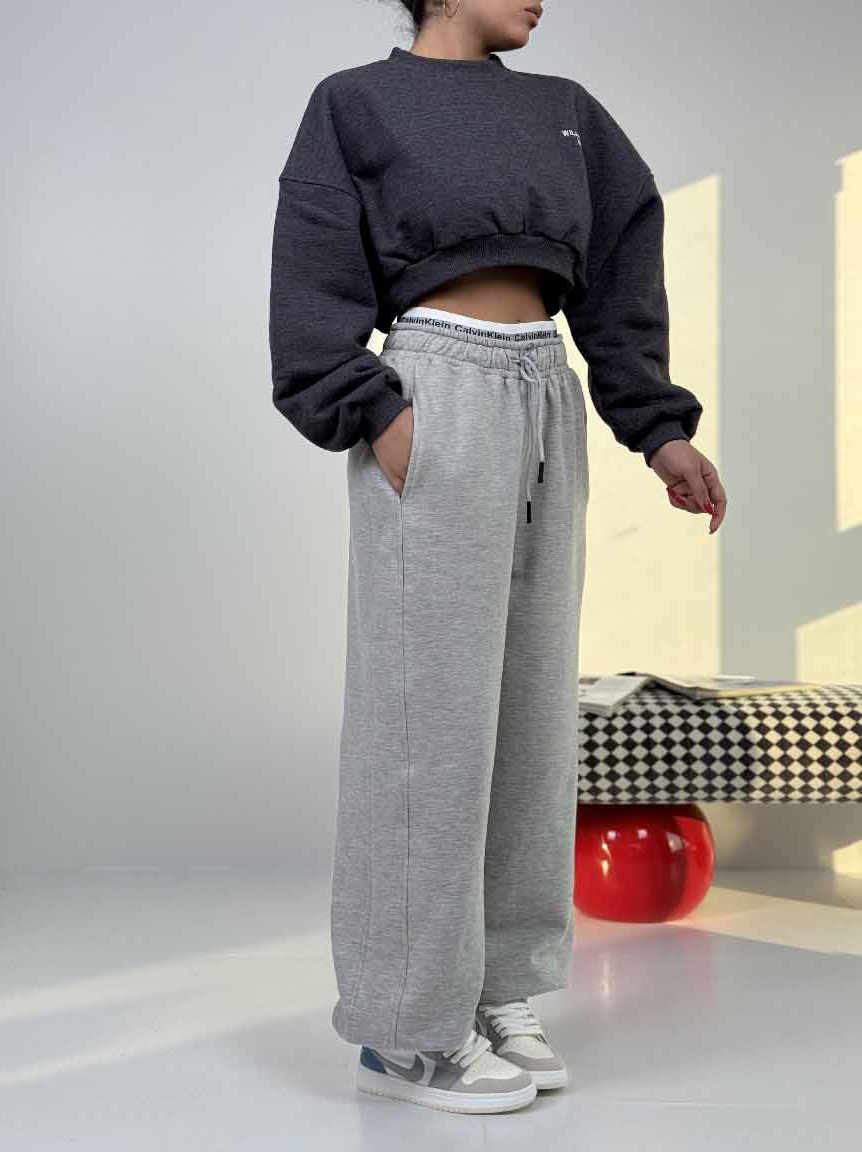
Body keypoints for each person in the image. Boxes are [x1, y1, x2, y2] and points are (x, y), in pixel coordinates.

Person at [268, 0, 727, 1116]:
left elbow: (622, 270)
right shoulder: (357, 103)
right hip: (435, 391)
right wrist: (377, 410)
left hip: (543, 395)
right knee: (426, 724)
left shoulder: (566, 112)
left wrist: (658, 429)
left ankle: (492, 989)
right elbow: (312, 277)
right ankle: (403, 1030)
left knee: (528, 715)